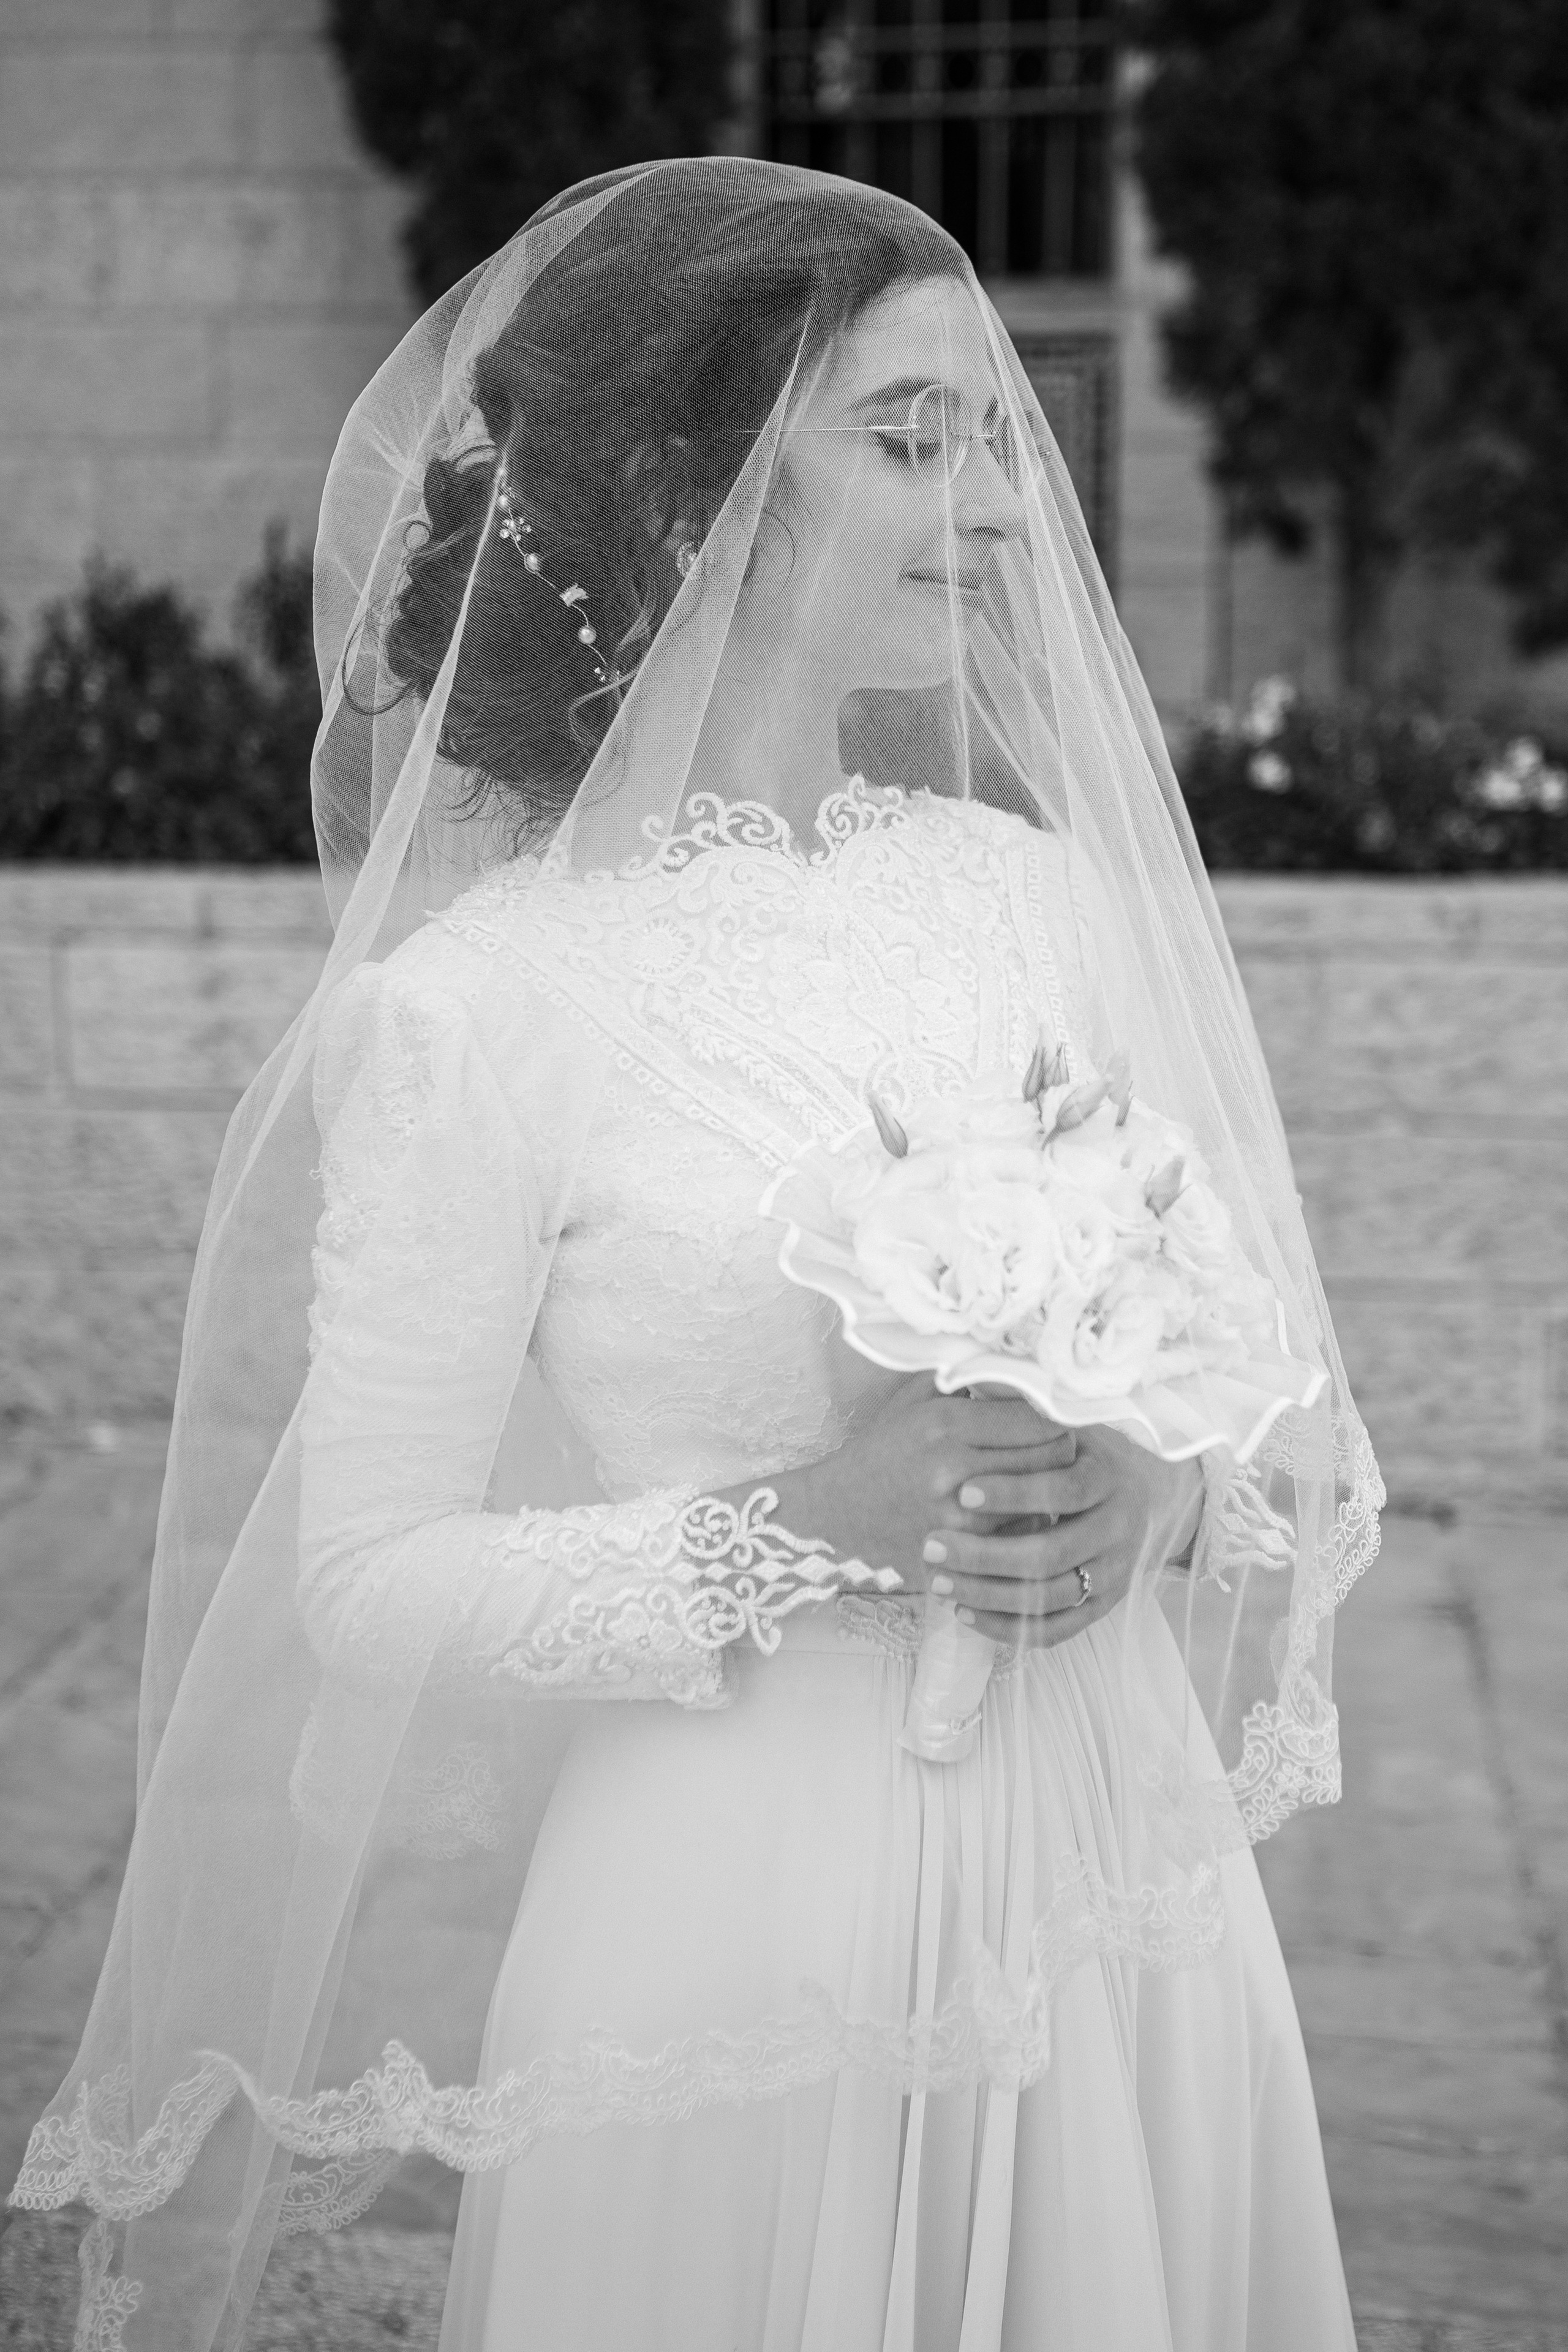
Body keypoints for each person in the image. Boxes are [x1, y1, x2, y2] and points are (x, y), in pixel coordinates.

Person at [12, 160, 1382, 2352]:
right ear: (695, 488)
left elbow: (1268, 1382)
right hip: (747, 1934)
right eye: (911, 438)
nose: (1002, 504)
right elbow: (365, 1580)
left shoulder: (1031, 897)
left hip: (1121, 1892)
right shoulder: (482, 1014)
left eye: (989, 438)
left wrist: (1163, 1483)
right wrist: (798, 1536)